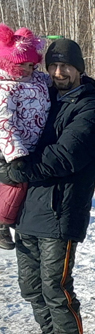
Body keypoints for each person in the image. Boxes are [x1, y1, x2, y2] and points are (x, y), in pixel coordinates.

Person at [1, 38, 95, 334]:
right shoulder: (42, 97)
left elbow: (65, 156)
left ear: (79, 68)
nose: (58, 72)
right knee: (30, 285)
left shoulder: (92, 108)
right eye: (52, 66)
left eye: (65, 66)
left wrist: (17, 169)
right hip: (29, 208)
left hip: (61, 210)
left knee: (56, 284)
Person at [0, 25, 50, 250]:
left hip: (35, 142)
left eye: (31, 65)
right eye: (23, 66)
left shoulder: (38, 80)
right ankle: (2, 223)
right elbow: (4, 123)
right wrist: (15, 153)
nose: (29, 70)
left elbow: (51, 82)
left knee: (26, 188)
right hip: (15, 145)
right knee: (14, 186)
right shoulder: (5, 88)